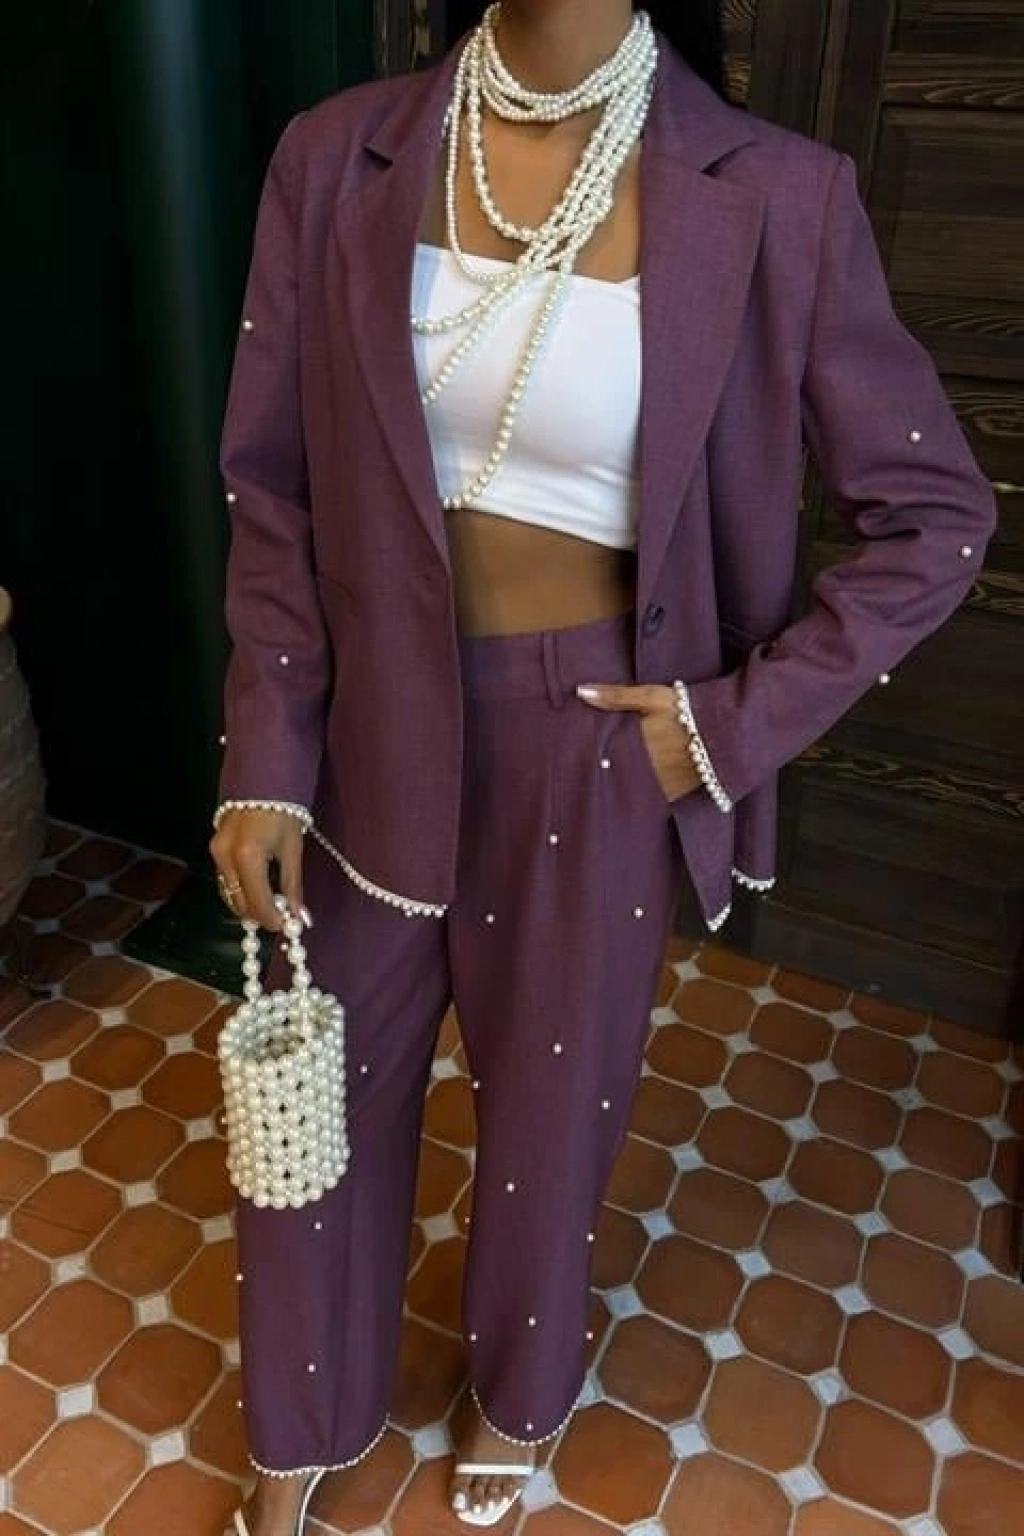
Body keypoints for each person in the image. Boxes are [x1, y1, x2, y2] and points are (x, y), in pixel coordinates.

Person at [209, 2, 998, 1531]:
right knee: (325, 1095)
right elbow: (274, 490)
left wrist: (728, 724)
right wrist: (265, 752)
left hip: (598, 742)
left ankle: (520, 1390)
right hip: (367, 728)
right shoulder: (337, 155)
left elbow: (937, 519)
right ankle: (303, 1413)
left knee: (551, 1111)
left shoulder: (776, 197)